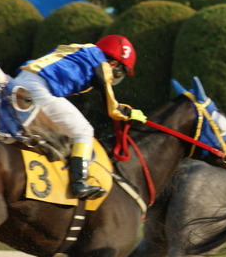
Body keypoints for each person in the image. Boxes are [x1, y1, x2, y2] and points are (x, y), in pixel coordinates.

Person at [12, 35, 142, 200]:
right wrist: (127, 113)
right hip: (39, 88)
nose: (116, 75)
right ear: (115, 64)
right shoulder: (104, 64)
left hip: (21, 79)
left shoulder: (84, 49)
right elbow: (112, 109)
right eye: (120, 71)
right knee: (84, 131)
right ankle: (79, 183)